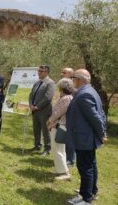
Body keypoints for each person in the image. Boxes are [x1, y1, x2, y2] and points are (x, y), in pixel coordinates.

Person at [66, 69, 106, 205]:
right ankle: (91, 191)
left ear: (79, 80)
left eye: (73, 78)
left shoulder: (84, 94)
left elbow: (96, 118)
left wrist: (102, 133)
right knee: (91, 165)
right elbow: (101, 114)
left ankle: (85, 198)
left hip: (84, 138)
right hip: (87, 137)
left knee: (85, 167)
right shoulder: (90, 91)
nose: (72, 81)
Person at [46, 78, 74, 180]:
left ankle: (64, 173)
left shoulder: (66, 98)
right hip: (59, 125)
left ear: (62, 87)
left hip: (59, 126)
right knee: (59, 149)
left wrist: (49, 121)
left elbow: (58, 112)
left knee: (58, 150)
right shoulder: (66, 97)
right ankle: (61, 170)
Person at [29, 65, 55, 156]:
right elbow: (31, 94)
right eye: (38, 71)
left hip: (44, 111)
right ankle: (37, 145)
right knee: (36, 129)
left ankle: (47, 149)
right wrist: (31, 105)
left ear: (47, 72)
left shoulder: (50, 83)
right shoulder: (37, 82)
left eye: (41, 71)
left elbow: (48, 97)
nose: (39, 72)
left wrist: (37, 106)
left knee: (45, 130)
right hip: (34, 110)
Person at [61, 67, 76, 167]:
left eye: (64, 72)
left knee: (70, 139)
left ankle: (71, 160)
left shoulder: (73, 84)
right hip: (64, 114)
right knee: (65, 138)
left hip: (72, 115)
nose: (62, 74)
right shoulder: (65, 83)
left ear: (70, 74)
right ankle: (66, 158)